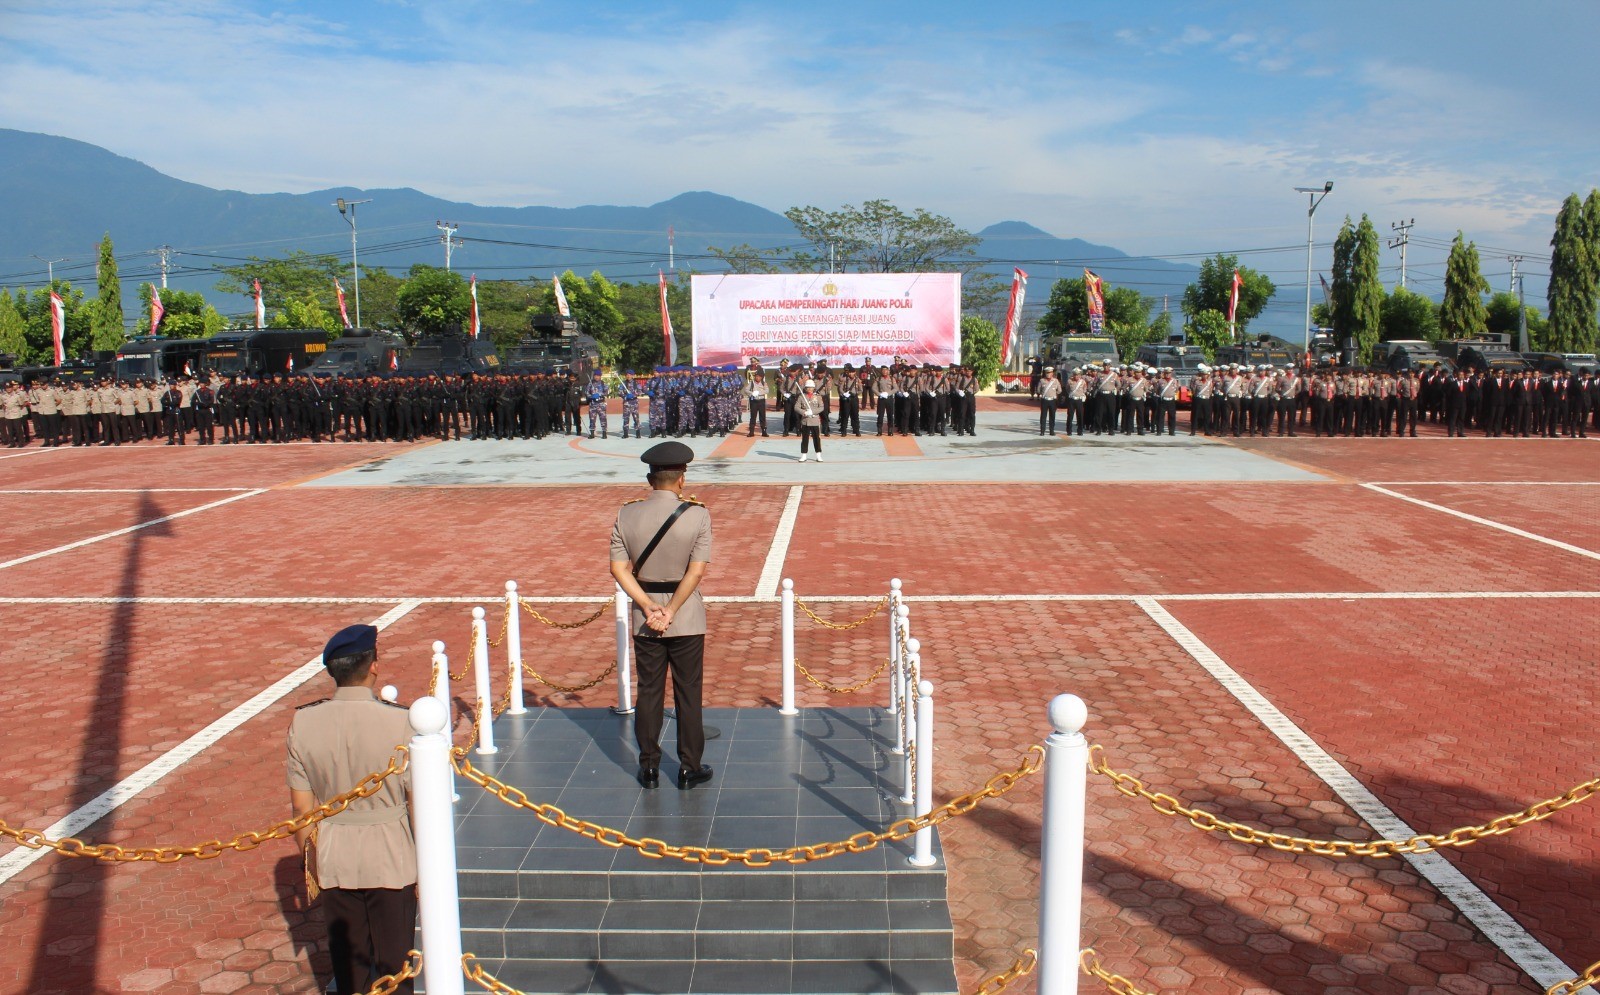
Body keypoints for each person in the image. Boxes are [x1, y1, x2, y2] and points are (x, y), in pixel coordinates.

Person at [287, 624, 416, 995]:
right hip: (392, 853)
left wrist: (312, 862)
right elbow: (416, 802)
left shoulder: (303, 721)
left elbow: (301, 808)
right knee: (395, 970)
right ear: (372, 666)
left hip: (334, 853)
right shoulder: (401, 721)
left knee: (349, 973)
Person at [609, 442, 713, 790]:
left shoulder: (627, 514)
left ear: (649, 478)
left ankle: (649, 766)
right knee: (688, 692)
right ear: (681, 479)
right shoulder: (697, 514)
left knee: (649, 691)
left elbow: (618, 569)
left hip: (645, 615)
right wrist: (670, 610)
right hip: (684, 616)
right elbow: (695, 573)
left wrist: (646, 605)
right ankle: (689, 766)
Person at [795, 379, 824, 462]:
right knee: (804, 439)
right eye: (808, 387)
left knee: (817, 439)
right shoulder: (801, 396)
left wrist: (813, 412)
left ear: (813, 388)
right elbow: (796, 407)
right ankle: (804, 455)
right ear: (805, 388)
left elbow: (821, 407)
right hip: (806, 420)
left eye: (811, 387)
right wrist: (804, 412)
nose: (809, 389)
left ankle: (818, 454)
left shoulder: (818, 397)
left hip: (815, 420)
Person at [1037, 367, 1061, 435]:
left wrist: (1054, 394)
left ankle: (1051, 431)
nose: (1048, 374)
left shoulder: (1055, 381)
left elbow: (1059, 390)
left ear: (1052, 373)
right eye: (1047, 373)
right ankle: (1042, 431)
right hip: (1045, 400)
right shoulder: (1042, 380)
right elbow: (1038, 390)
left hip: (1053, 400)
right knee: (1043, 416)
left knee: (1052, 416)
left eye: (1049, 372)